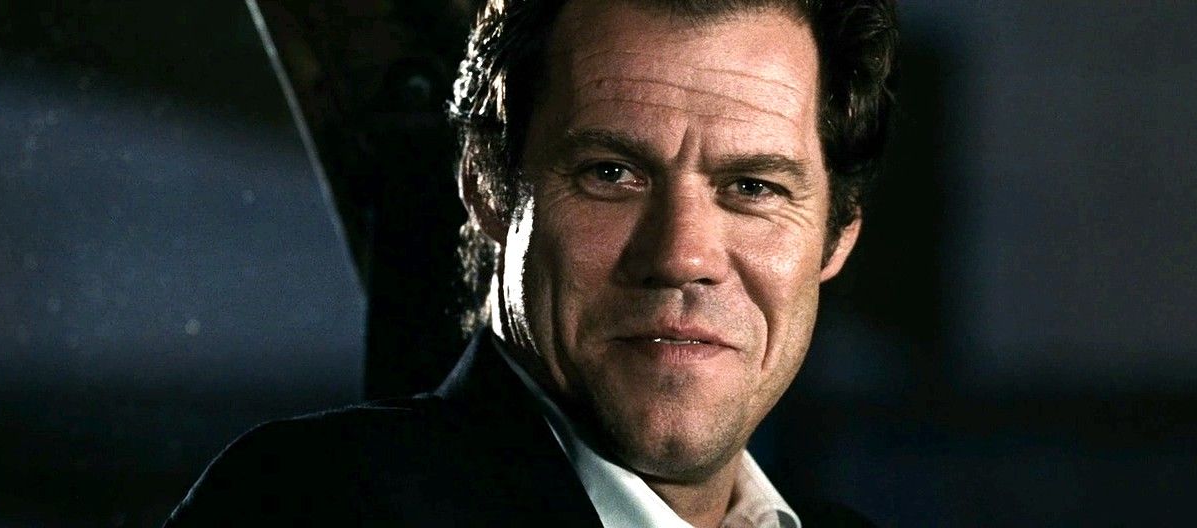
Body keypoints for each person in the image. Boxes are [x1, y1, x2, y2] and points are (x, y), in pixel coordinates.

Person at [165, 0, 896, 526]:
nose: (682, 256)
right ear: (486, 186)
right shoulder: (307, 504)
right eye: (611, 174)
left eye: (753, 188)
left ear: (838, 237)